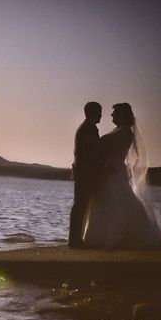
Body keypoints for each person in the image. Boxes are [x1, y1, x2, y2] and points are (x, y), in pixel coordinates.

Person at [82, 103, 161, 248]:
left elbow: (112, 150)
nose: (111, 115)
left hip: (113, 170)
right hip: (107, 170)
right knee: (104, 201)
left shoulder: (125, 132)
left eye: (114, 113)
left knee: (115, 200)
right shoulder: (118, 130)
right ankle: (99, 235)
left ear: (122, 115)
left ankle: (115, 235)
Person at [68, 102, 102, 248]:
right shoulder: (88, 128)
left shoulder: (88, 127)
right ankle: (74, 240)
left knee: (81, 206)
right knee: (80, 206)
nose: (101, 115)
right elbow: (92, 151)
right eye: (100, 111)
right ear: (93, 112)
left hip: (85, 172)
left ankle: (76, 239)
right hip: (85, 173)